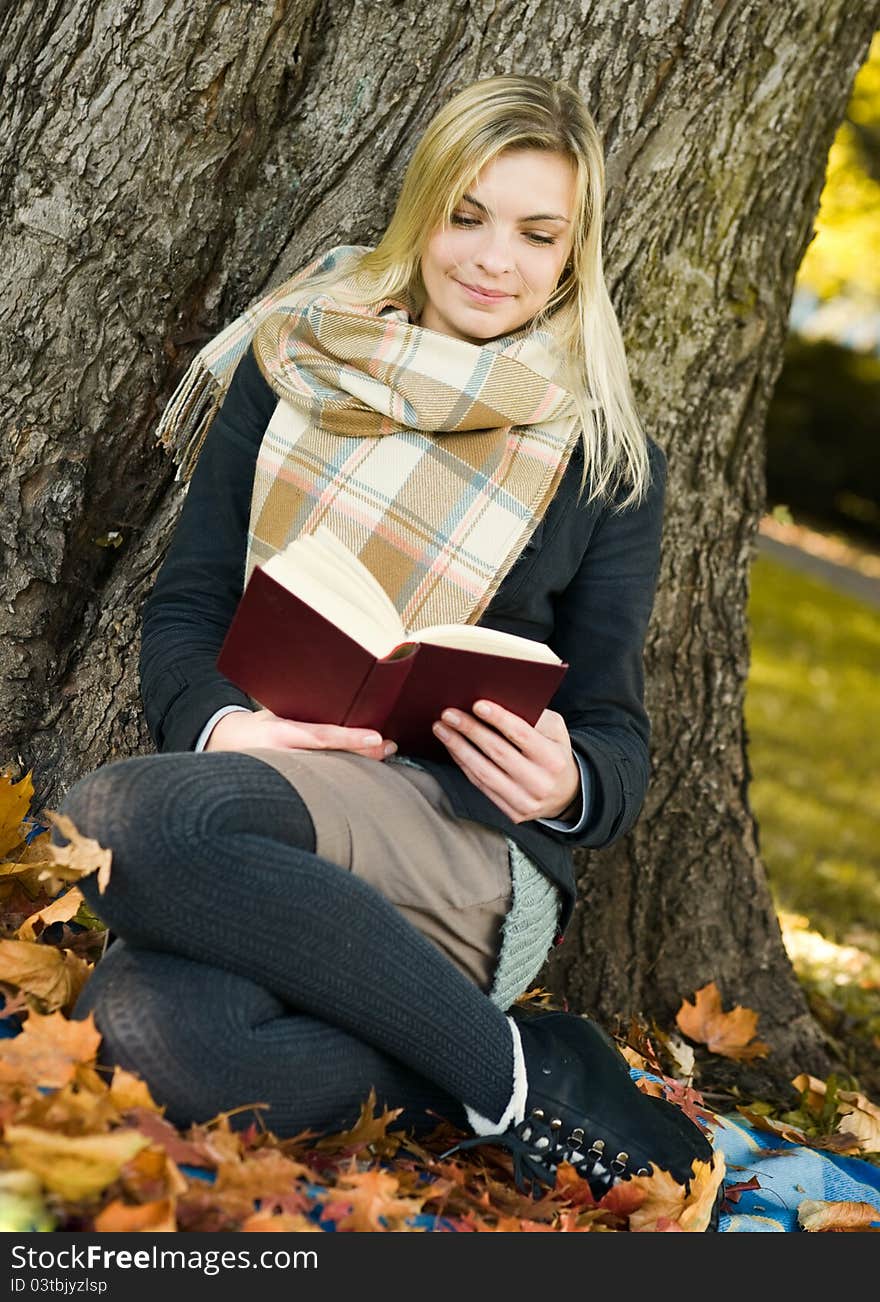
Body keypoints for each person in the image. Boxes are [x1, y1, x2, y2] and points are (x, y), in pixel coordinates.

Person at [57, 74, 716, 1211]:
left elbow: (616, 741)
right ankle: (508, 1068)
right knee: (146, 1042)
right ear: (420, 210)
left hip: (457, 851)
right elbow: (187, 609)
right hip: (267, 807)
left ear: (576, 254)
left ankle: (480, 1057)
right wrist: (228, 725)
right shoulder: (296, 363)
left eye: (535, 233)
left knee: (118, 820)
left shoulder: (601, 455)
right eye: (465, 215)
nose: (492, 259)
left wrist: (567, 780)